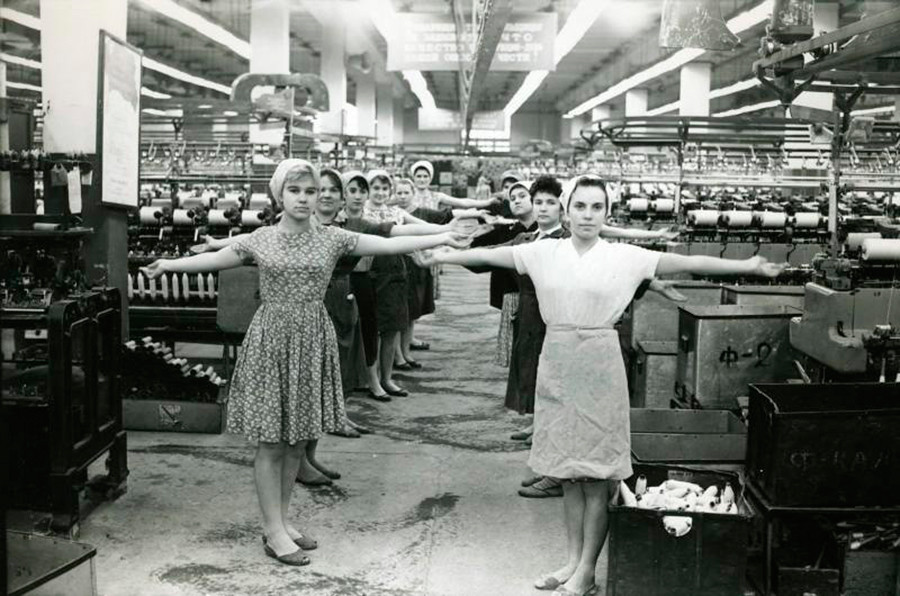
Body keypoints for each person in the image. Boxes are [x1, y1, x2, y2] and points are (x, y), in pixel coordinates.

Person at [429, 174, 785, 595]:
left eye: (597, 207)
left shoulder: (624, 257)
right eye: (580, 206)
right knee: (567, 472)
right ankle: (571, 561)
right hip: (557, 359)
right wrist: (441, 256)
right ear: (567, 208)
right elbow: (492, 257)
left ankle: (587, 572)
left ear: (607, 213)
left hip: (599, 361)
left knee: (596, 475)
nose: (588, 215)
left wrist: (747, 265)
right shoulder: (544, 252)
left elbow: (688, 263)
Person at [141, 159, 472, 567]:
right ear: (279, 194)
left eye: (310, 191)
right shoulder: (261, 239)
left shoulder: (332, 238)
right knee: (272, 440)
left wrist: (445, 233)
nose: (304, 198)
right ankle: (273, 528)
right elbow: (217, 258)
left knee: (297, 436)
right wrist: (169, 265)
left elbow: (388, 244)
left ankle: (281, 520)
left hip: (314, 336)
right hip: (272, 339)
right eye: (295, 190)